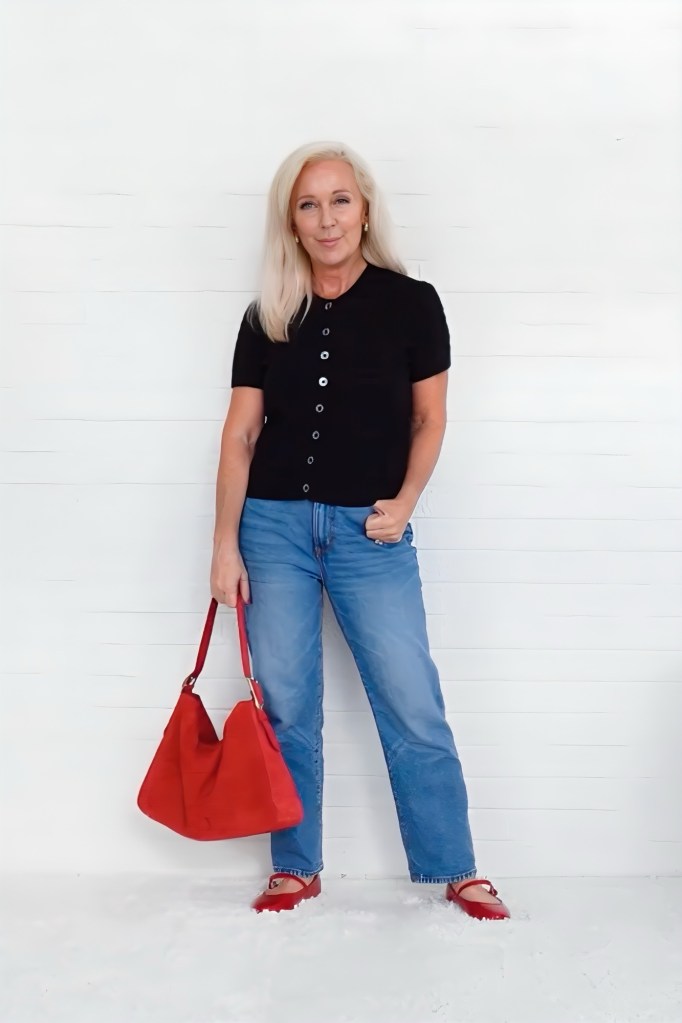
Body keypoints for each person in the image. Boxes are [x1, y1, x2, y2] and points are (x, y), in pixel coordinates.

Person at [210, 140, 510, 921]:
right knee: (287, 705)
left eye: (340, 199)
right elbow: (240, 434)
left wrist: (405, 502)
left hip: (371, 534)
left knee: (413, 701)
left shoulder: (413, 304)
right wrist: (224, 545)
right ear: (293, 221)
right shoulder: (267, 313)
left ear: (365, 208)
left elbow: (430, 417)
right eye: (309, 204)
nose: (327, 217)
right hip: (271, 531)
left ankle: (455, 866)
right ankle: (295, 865)